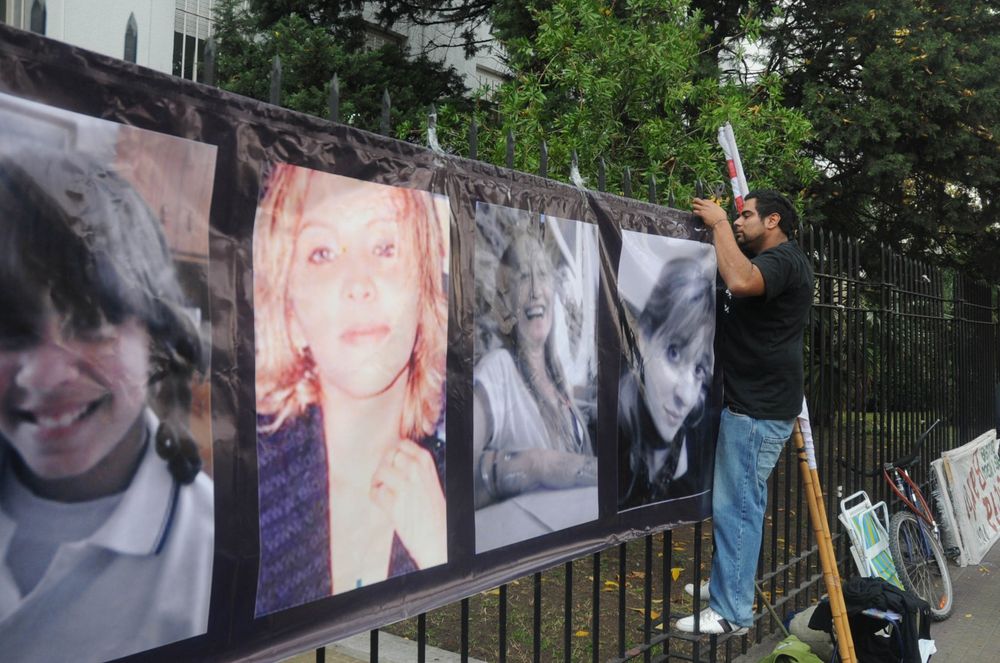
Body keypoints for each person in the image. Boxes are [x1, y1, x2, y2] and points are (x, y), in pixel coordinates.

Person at [0, 148, 213, 661]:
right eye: (8, 329)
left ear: (155, 335)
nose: (44, 375)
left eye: (90, 322)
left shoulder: (212, 552)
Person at [253, 164, 448, 615]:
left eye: (384, 247)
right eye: (322, 253)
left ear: (423, 288)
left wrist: (441, 552)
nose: (359, 284)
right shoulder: (249, 485)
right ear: (290, 313)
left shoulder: (459, 489)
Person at [676, 190, 813, 635]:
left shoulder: (783, 261)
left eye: (746, 215)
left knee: (738, 507)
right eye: (735, 216)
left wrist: (717, 223)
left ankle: (731, 611)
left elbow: (739, 281)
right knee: (734, 501)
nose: (738, 221)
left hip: (757, 410)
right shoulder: (772, 258)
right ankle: (728, 582)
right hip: (753, 403)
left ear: (773, 221)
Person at [473, 231, 597, 512]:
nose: (535, 290)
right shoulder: (497, 371)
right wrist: (535, 464)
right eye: (522, 277)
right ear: (505, 301)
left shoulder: (557, 378)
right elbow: (449, 474)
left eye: (542, 274)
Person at [618, 257, 715, 509]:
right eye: (674, 353)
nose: (686, 396)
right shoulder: (602, 437)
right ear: (643, 336)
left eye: (699, 369)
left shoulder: (699, 456)